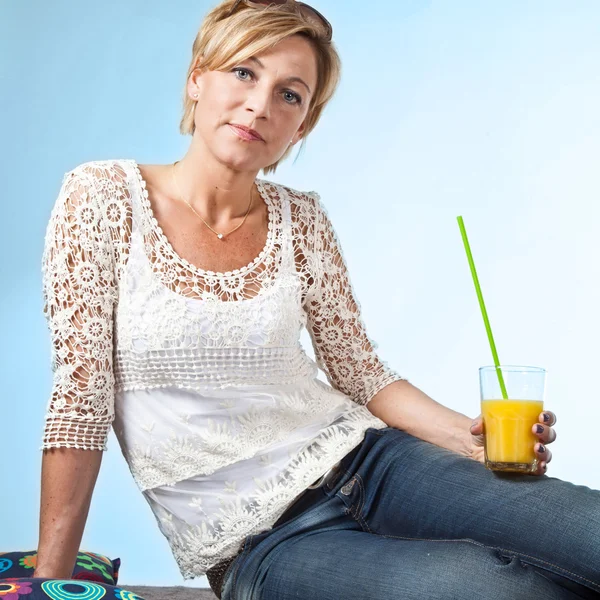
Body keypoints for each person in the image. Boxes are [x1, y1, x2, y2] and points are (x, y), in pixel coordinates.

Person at [35, 1, 600, 599]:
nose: (259, 104)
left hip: (376, 465)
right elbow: (80, 399)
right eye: (244, 73)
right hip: (265, 545)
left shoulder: (300, 220)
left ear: (301, 125)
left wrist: (468, 436)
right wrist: (49, 581)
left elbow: (358, 368)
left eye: (290, 94)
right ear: (197, 77)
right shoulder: (101, 197)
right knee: (493, 590)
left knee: (585, 532)